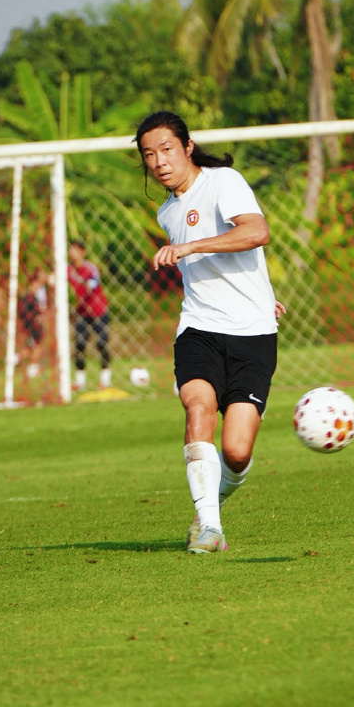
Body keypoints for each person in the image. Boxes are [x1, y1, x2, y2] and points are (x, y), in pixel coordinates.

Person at [136, 110, 286, 555]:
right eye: (149, 154)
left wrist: (192, 247)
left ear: (187, 147)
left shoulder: (224, 182)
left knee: (237, 452)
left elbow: (256, 232)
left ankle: (210, 509)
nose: (159, 161)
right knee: (198, 407)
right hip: (199, 328)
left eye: (166, 149)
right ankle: (210, 529)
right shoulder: (167, 211)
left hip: (252, 332)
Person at [67, 241, 111, 390]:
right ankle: (80, 382)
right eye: (70, 249)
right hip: (82, 312)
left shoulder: (90, 268)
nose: (71, 253)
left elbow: (93, 283)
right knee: (79, 345)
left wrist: (83, 284)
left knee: (102, 344)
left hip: (98, 311)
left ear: (82, 252)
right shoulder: (68, 269)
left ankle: (105, 380)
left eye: (75, 249)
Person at [17, 267, 48, 380]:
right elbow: (26, 312)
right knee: (36, 346)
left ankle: (19, 360)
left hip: (34, 324)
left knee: (32, 347)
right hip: (32, 325)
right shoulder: (29, 297)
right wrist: (37, 316)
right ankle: (28, 367)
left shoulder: (35, 295)